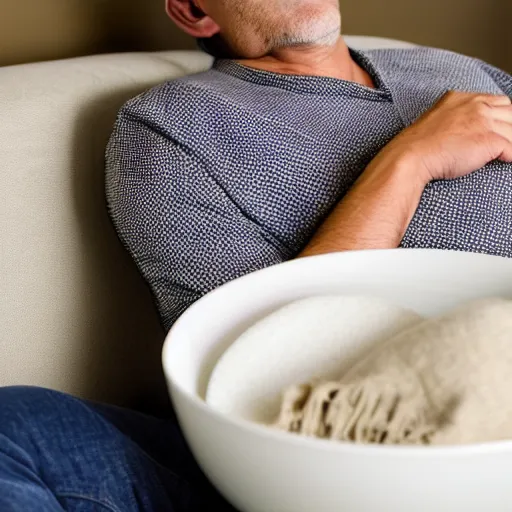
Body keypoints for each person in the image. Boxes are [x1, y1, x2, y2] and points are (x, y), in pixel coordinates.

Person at [1, 1, 512, 510]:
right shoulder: (172, 129)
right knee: (17, 427)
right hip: (322, 457)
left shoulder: (456, 70)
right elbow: (255, 362)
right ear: (194, 11)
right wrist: (410, 159)